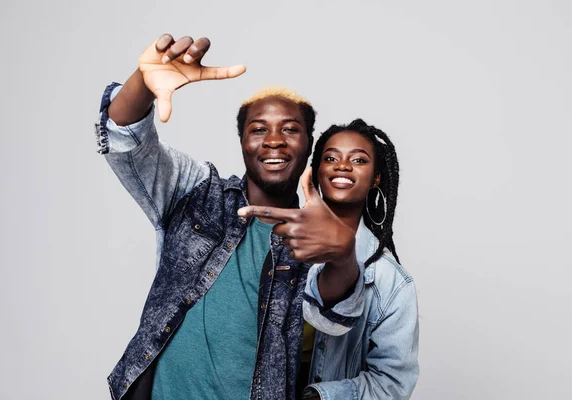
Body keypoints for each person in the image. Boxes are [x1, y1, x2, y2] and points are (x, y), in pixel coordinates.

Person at [95, 33, 364, 400]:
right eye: (258, 129)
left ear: (308, 146)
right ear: (242, 141)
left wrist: (343, 255)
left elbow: (334, 318)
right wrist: (142, 82)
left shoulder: (316, 236)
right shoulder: (197, 192)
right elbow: (125, 140)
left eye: (290, 129)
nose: (274, 140)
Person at [302, 119, 420, 399]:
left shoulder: (390, 282)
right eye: (330, 158)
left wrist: (319, 396)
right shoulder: (275, 244)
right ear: (317, 171)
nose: (342, 166)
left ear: (376, 178)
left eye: (358, 159)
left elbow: (392, 384)